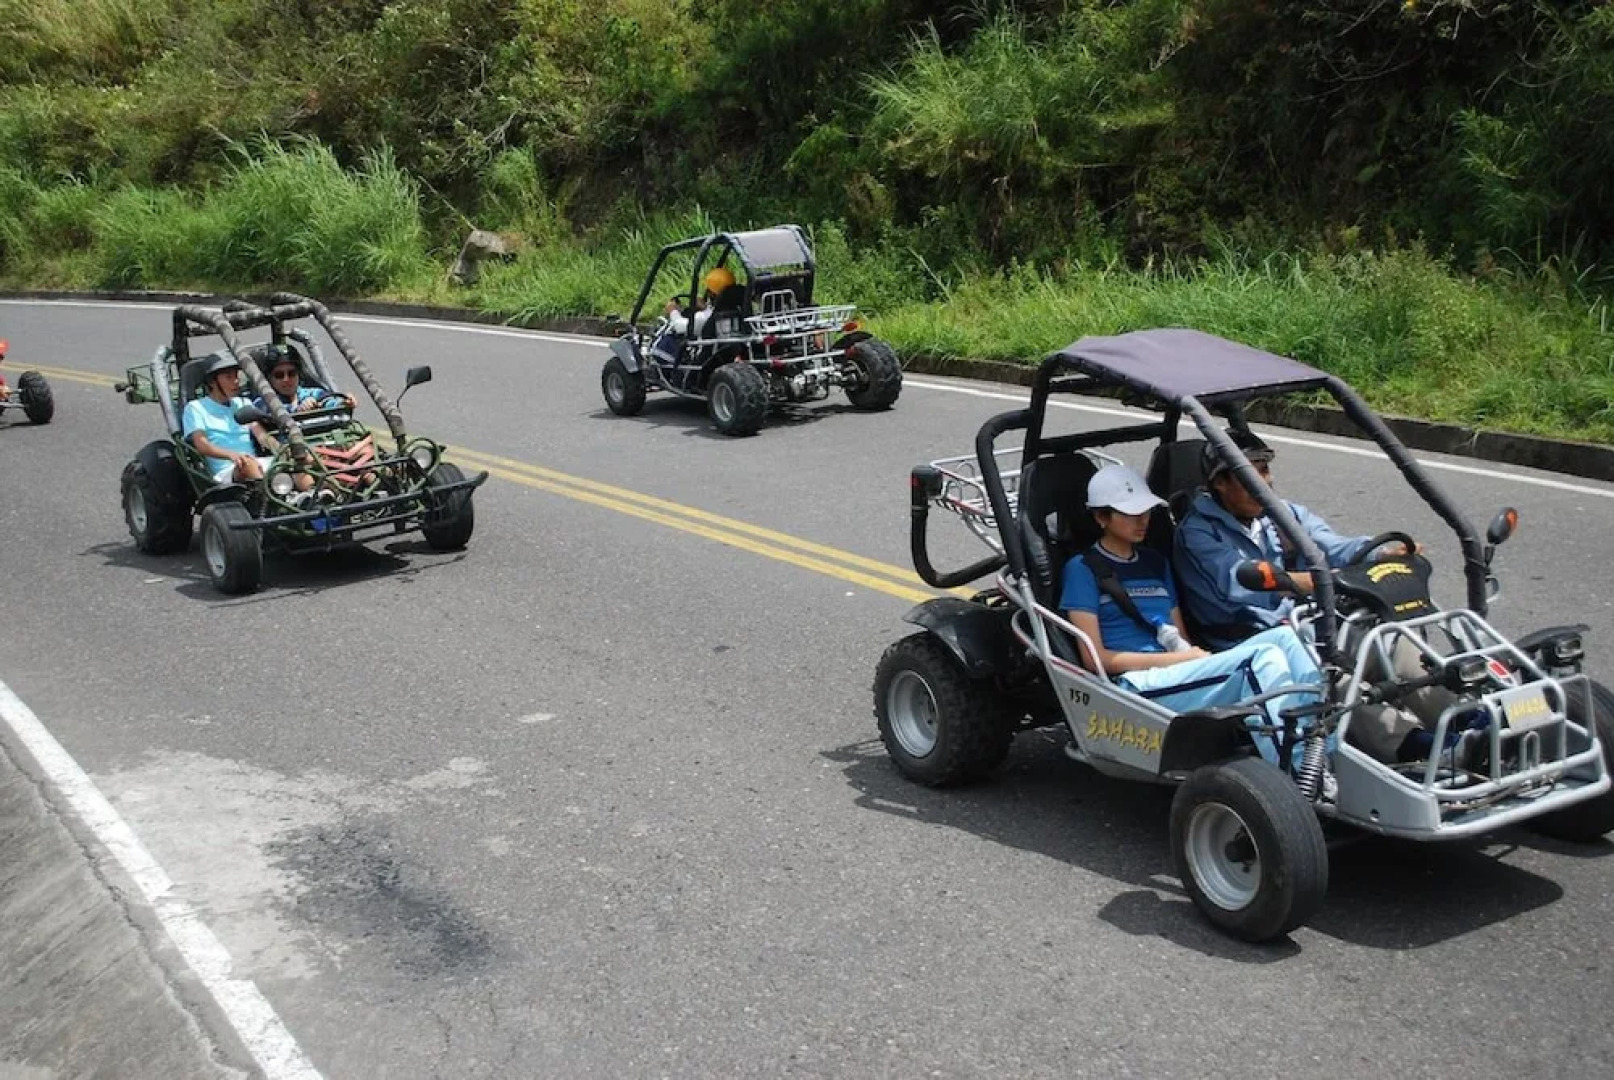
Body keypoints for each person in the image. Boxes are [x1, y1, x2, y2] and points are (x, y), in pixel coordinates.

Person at [1172, 428, 1460, 765]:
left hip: (1305, 627)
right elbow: (1240, 579)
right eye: (1249, 473)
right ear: (1219, 483)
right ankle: (1426, 748)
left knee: (1392, 643)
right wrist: (1318, 582)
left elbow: (1333, 546)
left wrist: (1379, 556)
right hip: (1253, 645)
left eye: (1264, 469)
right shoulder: (1196, 532)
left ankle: (1467, 723)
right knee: (1330, 682)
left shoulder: (1281, 514)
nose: (1264, 481)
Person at [1062, 462, 1327, 766]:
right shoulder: (1082, 570)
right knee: (1261, 660)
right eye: (1131, 514)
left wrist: (1187, 658)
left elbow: (1180, 637)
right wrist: (1178, 660)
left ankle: (1323, 751)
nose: (1143, 521)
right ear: (1101, 517)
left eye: (1146, 511)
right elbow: (1096, 658)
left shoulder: (1154, 562)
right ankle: (1299, 772)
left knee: (1285, 638)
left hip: (1177, 669)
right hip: (1134, 685)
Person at [183, 353, 315, 496]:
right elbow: (202, 445)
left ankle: (316, 496)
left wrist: (285, 451)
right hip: (226, 471)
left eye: (236, 375)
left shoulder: (243, 403)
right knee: (247, 462)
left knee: (297, 460)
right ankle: (268, 499)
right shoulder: (195, 408)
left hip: (255, 462)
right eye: (229, 377)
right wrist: (232, 455)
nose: (236, 381)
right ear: (212, 382)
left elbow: (262, 436)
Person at [649, 266, 737, 364]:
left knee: (667, 341)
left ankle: (668, 375)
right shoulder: (736, 311)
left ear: (711, 294)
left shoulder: (706, 318)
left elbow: (680, 326)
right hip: (724, 353)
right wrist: (705, 308)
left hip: (706, 359)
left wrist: (673, 311)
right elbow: (710, 313)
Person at [255, 346, 356, 413]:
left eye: (291, 373)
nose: (286, 379)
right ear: (269, 378)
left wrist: (344, 403)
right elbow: (269, 413)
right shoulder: (263, 402)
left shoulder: (314, 393)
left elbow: (329, 401)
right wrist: (298, 409)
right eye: (279, 375)